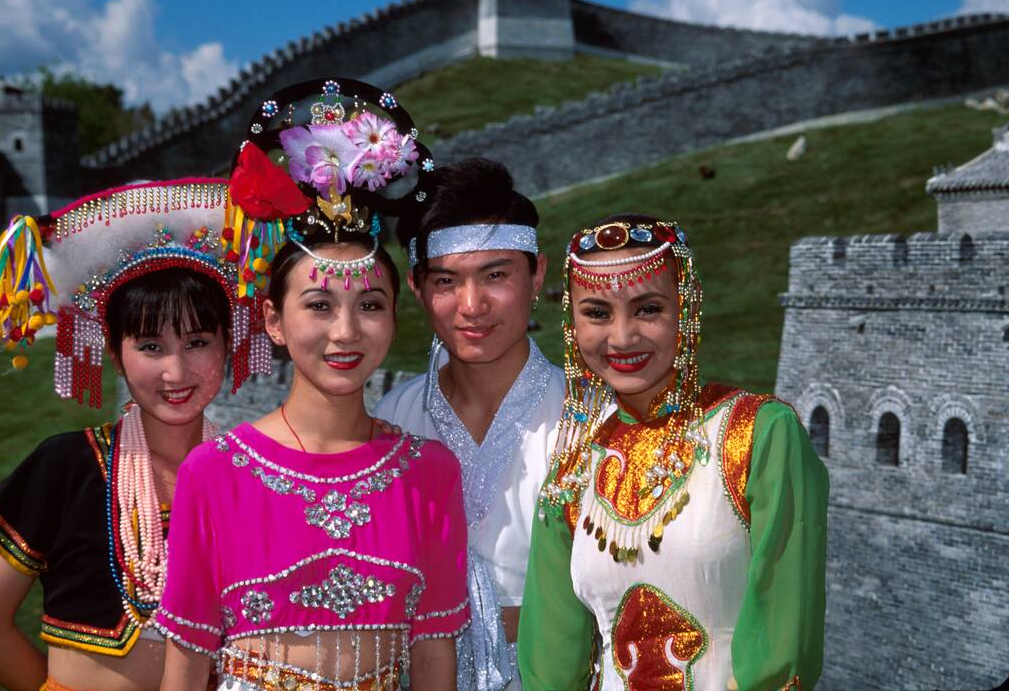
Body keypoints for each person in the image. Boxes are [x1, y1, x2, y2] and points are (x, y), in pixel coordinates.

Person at [155, 79, 470, 691]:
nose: (345, 333)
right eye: (319, 305)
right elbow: (188, 662)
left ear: (395, 317)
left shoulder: (431, 473)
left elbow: (435, 664)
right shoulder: (213, 472)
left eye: (370, 305)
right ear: (273, 320)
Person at [0, 178, 266, 691]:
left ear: (229, 344)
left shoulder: (252, 472)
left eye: (197, 341)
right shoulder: (65, 466)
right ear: (115, 354)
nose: (175, 370)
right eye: (149, 346)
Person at [517, 214, 828, 691]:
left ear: (685, 309)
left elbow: (785, 637)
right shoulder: (573, 467)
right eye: (597, 313)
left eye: (647, 309)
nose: (622, 337)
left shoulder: (757, 434)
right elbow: (551, 663)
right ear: (572, 324)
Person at [374, 158, 568, 691]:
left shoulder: (589, 419)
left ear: (538, 275)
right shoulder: (391, 422)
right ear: (417, 289)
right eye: (446, 281)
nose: (472, 305)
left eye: (496, 275)